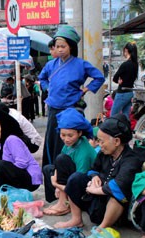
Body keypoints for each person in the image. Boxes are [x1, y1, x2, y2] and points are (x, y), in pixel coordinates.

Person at [55, 114, 142, 229]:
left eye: (101, 141)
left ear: (116, 141)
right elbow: (93, 169)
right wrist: (95, 177)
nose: (99, 145)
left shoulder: (131, 160)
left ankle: (102, 228)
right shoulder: (105, 153)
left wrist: (96, 190)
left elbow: (120, 186)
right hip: (98, 199)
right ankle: (76, 219)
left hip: (114, 208)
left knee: (117, 197)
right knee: (76, 179)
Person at [38, 25, 105, 167]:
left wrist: (85, 90)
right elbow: (42, 78)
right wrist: (47, 88)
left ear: (71, 46)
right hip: (53, 109)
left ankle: (73, 169)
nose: (60, 49)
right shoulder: (50, 65)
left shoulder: (81, 64)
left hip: (71, 109)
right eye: (57, 46)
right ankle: (52, 170)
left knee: (70, 141)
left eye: (63, 46)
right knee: (52, 141)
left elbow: (99, 77)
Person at [42, 108, 96, 219]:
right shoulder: (69, 144)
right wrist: (57, 185)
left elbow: (79, 180)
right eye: (63, 135)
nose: (66, 139)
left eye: (70, 135)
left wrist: (57, 185)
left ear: (80, 132)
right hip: (70, 179)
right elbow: (58, 167)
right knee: (48, 169)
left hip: (84, 187)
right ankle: (60, 201)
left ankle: (64, 204)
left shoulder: (84, 151)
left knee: (61, 159)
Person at [0, 108, 42, 199]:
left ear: (4, 127)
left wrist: (0, 169)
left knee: (1, 165)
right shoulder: (4, 142)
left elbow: (22, 163)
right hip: (20, 174)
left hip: (30, 179)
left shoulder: (12, 139)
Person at [111, 42, 138, 119]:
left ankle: (112, 131)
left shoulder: (125, 64)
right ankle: (126, 130)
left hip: (122, 93)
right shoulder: (135, 64)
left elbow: (115, 78)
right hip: (130, 92)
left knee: (113, 115)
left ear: (126, 50)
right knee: (126, 117)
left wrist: (118, 81)